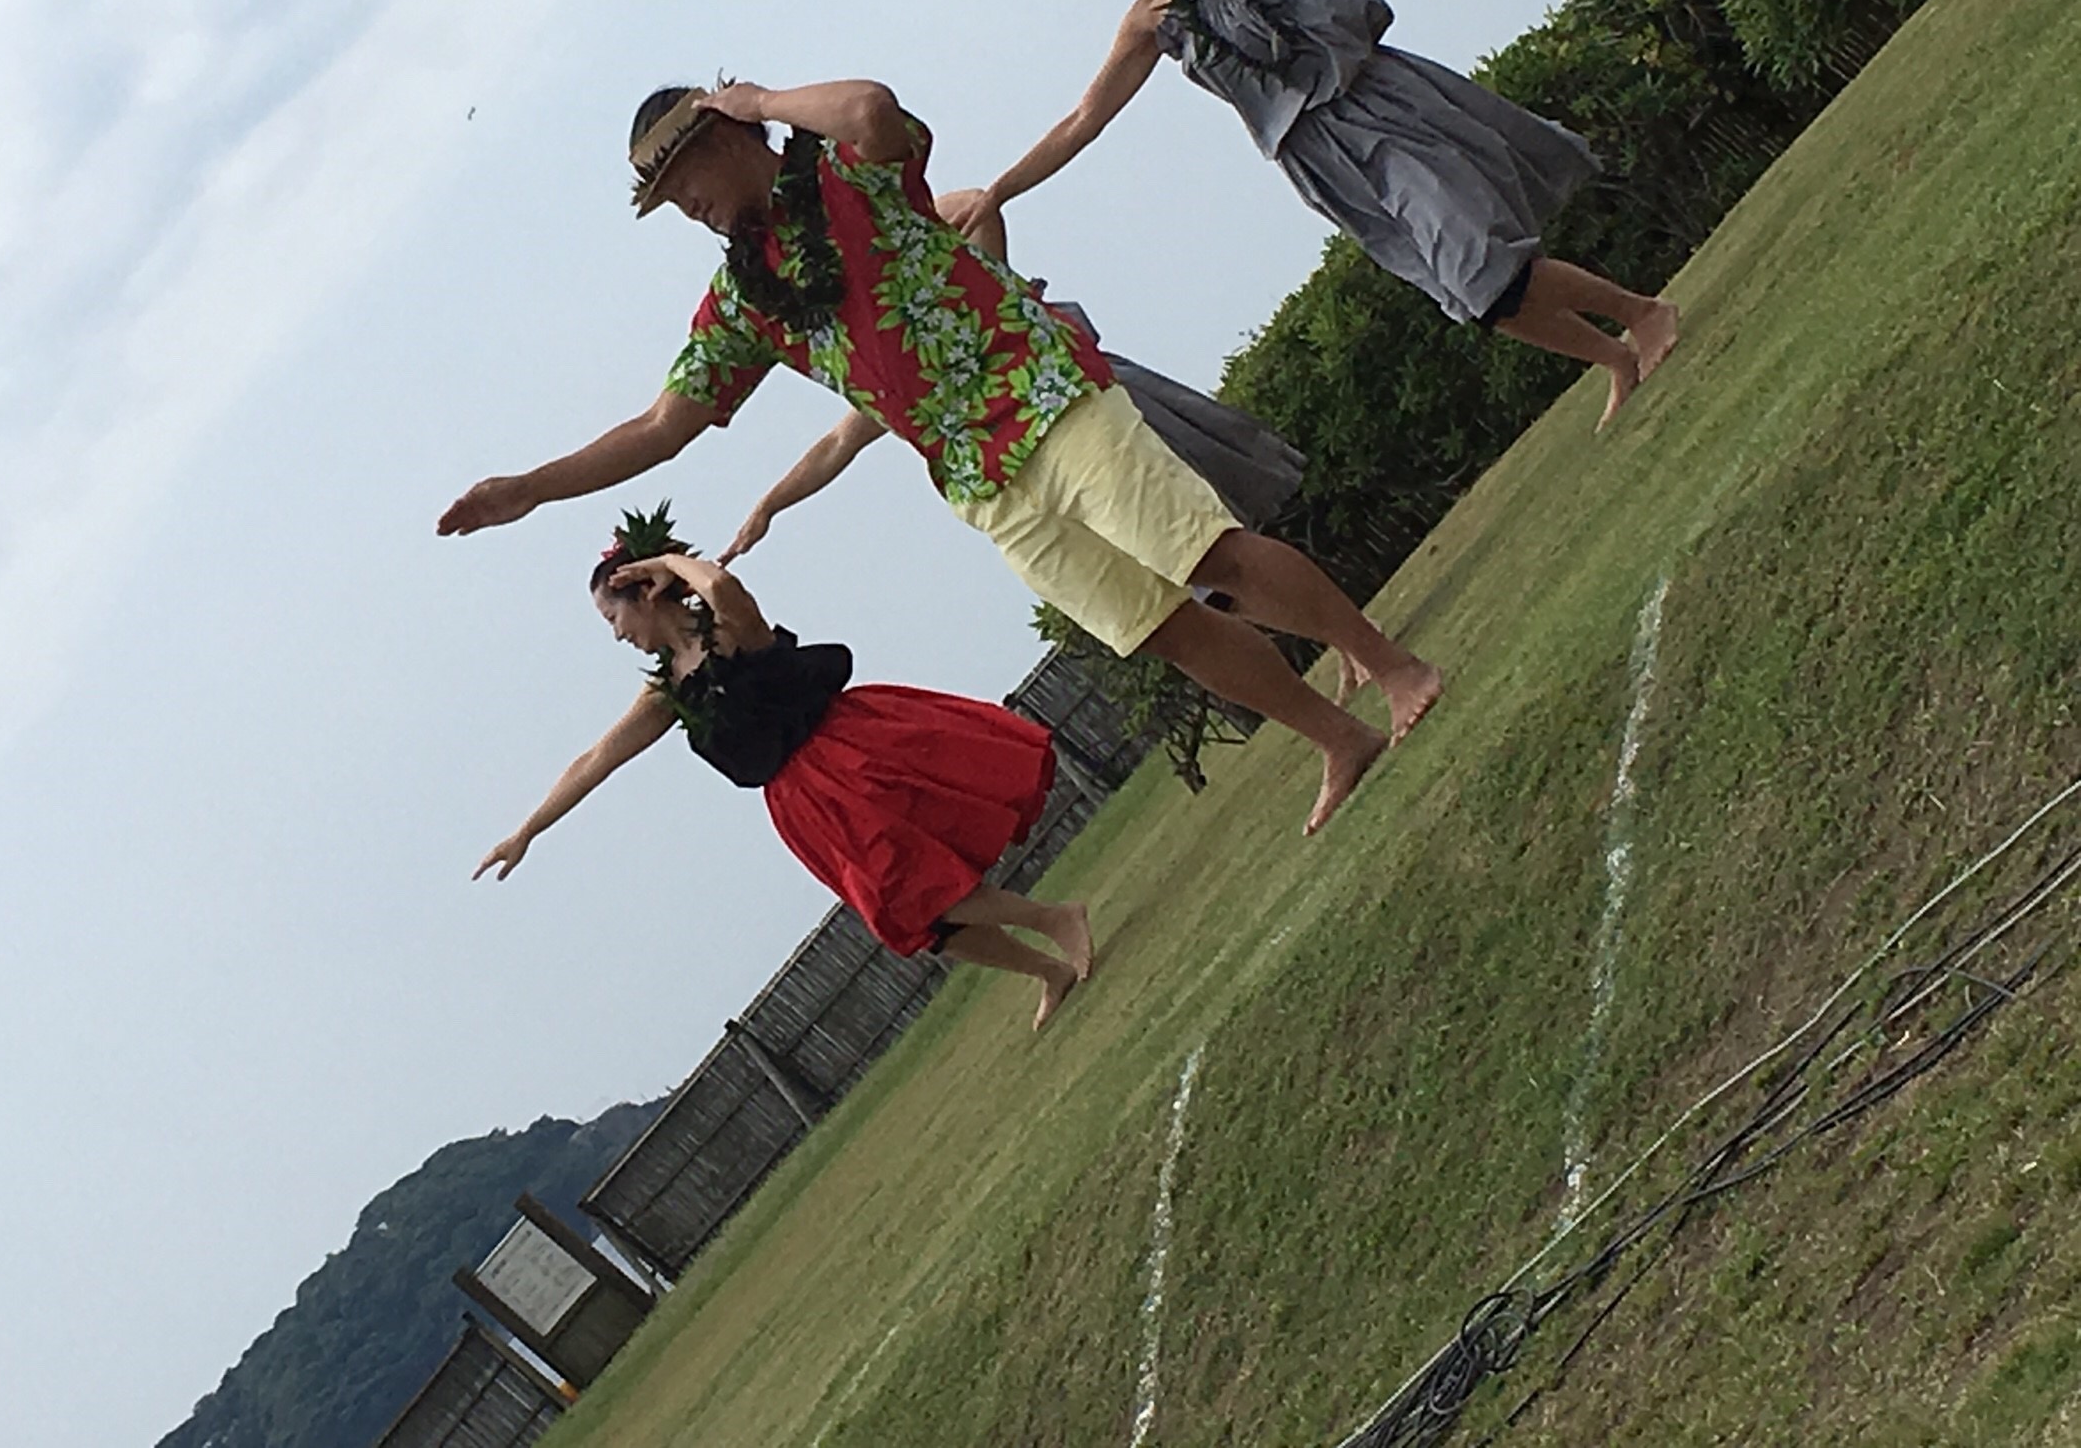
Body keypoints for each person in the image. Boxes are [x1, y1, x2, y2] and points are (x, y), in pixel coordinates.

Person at [437, 75, 1441, 833]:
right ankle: (1337, 736)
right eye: (665, 199)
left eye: (682, 180)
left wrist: (765, 98)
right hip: (974, 475)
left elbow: (874, 108)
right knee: (1159, 628)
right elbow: (663, 425)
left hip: (1041, 394)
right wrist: (531, 489)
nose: (683, 206)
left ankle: (1393, 670)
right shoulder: (741, 299)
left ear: (727, 134)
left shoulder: (847, 173)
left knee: (1207, 555)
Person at [951, 0, 1681, 433]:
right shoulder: (1154, 15)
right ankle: (1615, 356)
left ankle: (1643, 314)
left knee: (1479, 261)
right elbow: (1085, 118)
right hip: (1317, 156)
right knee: (1472, 292)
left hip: (1374, 107)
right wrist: (998, 192)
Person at [720, 188, 1376, 700]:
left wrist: (980, 281)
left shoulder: (937, 281)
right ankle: (1350, 650)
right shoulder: (898, 385)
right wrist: (767, 507)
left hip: (1078, 402)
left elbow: (976, 205)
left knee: (1210, 538)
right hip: (1013, 458)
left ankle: (1364, 648)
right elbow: (838, 442)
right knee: (1196, 580)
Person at [477, 505, 1093, 1030]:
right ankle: (1049, 970)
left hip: (846, 753)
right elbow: (597, 759)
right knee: (911, 917)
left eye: (613, 618)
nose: (616, 636)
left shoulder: (729, 627)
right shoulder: (666, 693)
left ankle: (1055, 919)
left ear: (643, 592)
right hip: (802, 804)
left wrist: (668, 562)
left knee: (916, 886)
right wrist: (527, 830)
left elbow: (720, 585)